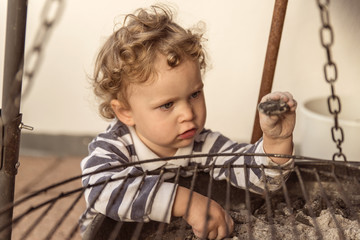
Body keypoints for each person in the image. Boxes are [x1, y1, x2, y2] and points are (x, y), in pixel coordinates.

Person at [80, 4, 297, 240]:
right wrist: (186, 202)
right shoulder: (112, 148)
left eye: (194, 95)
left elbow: (258, 177)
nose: (188, 114)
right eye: (167, 105)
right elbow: (101, 190)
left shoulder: (203, 143)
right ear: (125, 112)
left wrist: (276, 140)